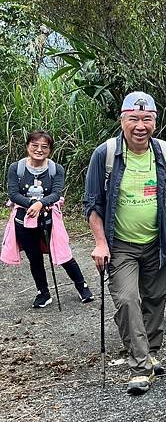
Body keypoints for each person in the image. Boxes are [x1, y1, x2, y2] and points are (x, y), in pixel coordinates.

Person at [84, 91, 166, 395]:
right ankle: (140, 366)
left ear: (155, 121)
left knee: (155, 299)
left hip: (156, 241)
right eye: (134, 119)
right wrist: (100, 243)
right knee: (128, 299)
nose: (140, 126)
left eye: (147, 119)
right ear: (123, 120)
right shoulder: (106, 154)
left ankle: (150, 351)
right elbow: (92, 203)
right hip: (121, 244)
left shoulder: (164, 153)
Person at [1, 130, 93, 308]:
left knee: (63, 255)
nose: (39, 150)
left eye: (44, 147)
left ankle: (82, 286)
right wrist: (31, 204)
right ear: (28, 146)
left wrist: (40, 204)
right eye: (35, 145)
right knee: (34, 258)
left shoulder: (55, 169)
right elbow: (13, 194)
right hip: (23, 222)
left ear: (50, 149)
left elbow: (56, 193)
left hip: (49, 222)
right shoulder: (16, 168)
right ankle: (43, 293)